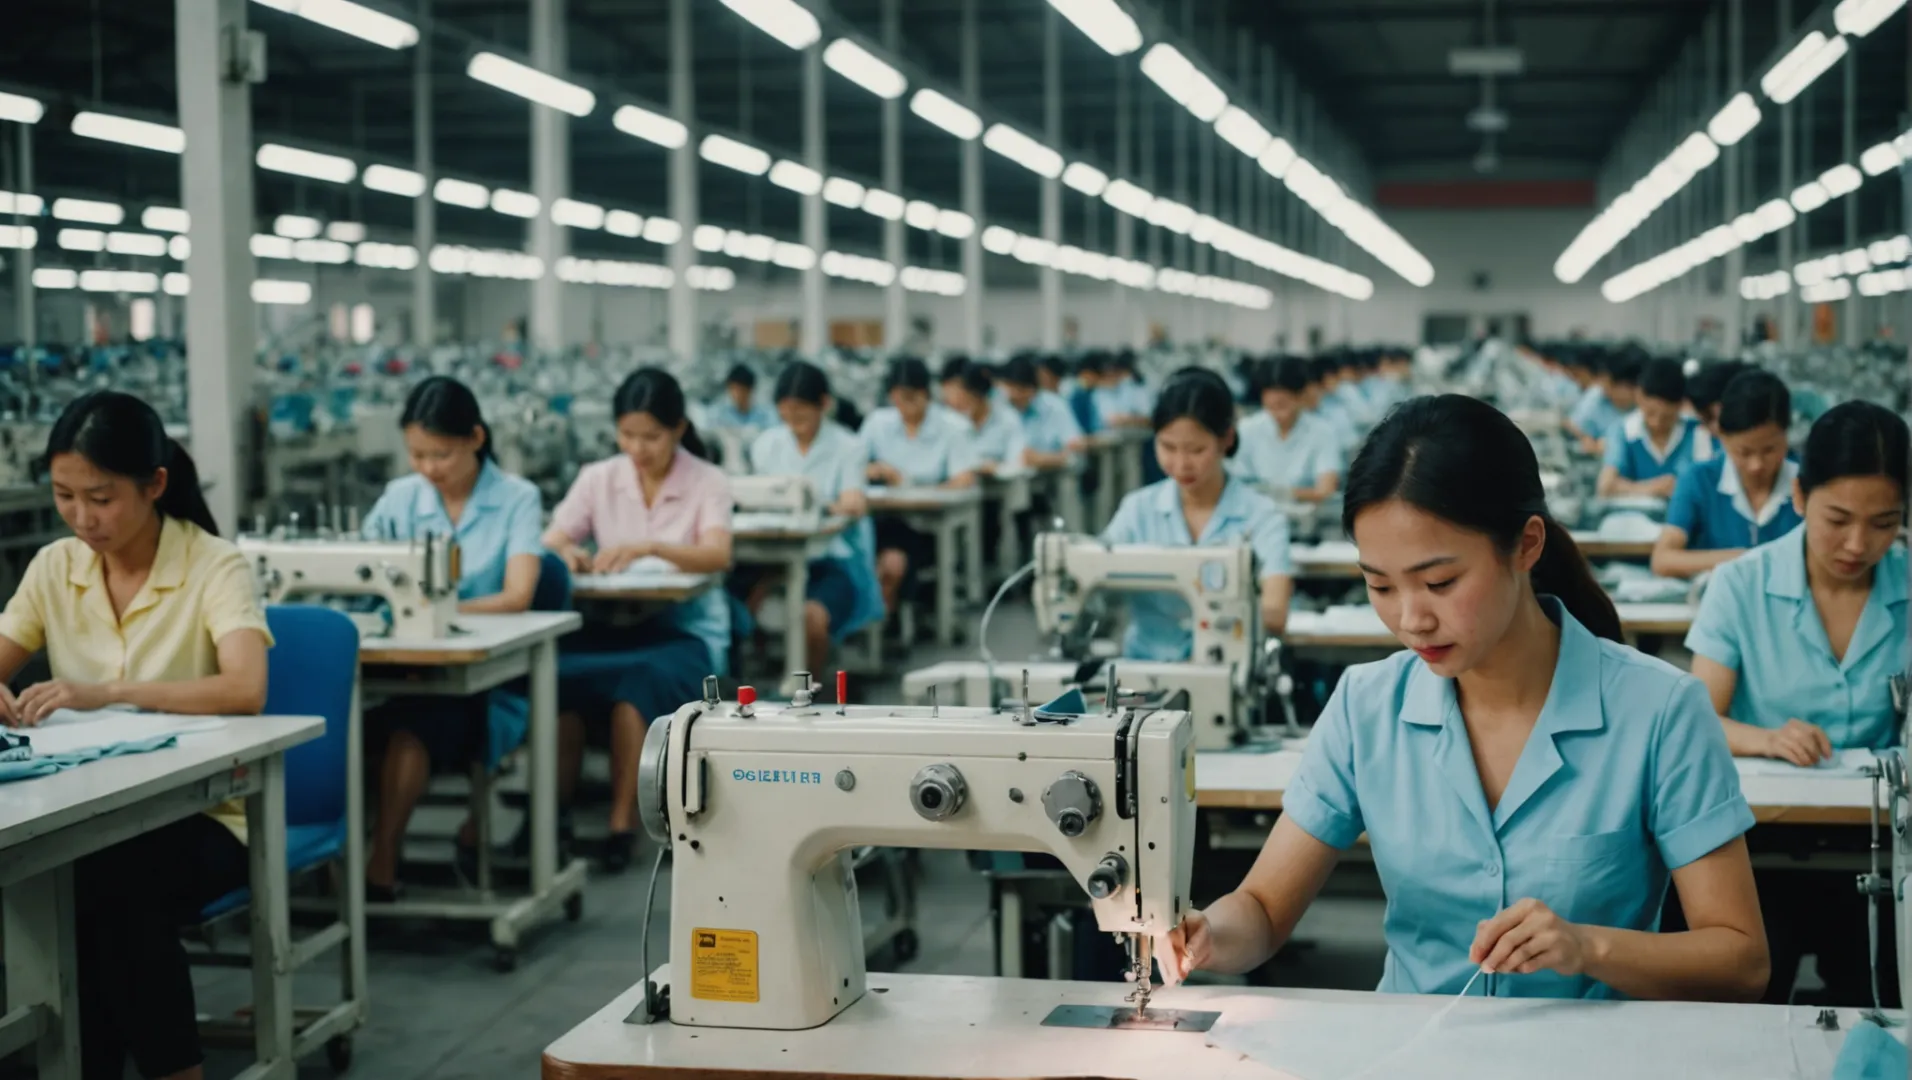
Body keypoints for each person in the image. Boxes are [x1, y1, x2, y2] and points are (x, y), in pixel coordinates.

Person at [1158, 394, 1769, 1003]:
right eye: (1379, 585)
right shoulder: (1366, 706)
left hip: (1588, 1060)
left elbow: (1741, 961)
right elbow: (1263, 908)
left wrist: (1588, 947)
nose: (1410, 618)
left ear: (1527, 545)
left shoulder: (1660, 710)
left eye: (1440, 582)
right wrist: (1209, 932)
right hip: (1411, 1053)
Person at [0, 391, 274, 1080]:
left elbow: (246, 688)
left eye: (101, 497)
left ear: (154, 484)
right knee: (73, 883)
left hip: (203, 814)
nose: (81, 518)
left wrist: (110, 691)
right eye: (64, 495)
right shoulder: (55, 569)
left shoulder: (214, 565)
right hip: (82, 809)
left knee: (103, 892)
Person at [1684, 402, 1907, 1008]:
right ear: (1801, 495)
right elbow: (1697, 721)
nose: (1858, 544)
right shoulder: (1742, 585)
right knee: (1741, 1009)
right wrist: (1765, 738)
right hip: (1757, 852)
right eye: (1838, 518)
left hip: (1887, 850)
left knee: (1886, 1002)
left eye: (1885, 523)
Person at [358, 377, 547, 898]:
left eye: (440, 454)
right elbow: (358, 574)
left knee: (415, 726)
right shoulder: (401, 498)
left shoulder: (516, 499)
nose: (427, 468)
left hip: (489, 683)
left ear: (476, 439)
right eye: (416, 454)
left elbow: (517, 594)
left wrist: (433, 610)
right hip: (403, 670)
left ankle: (381, 864)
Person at [542, 368, 733, 872]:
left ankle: (622, 823)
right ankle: (549, 820)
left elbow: (717, 555)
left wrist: (648, 545)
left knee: (637, 688)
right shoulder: (599, 478)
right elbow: (552, 539)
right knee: (555, 680)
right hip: (608, 624)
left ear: (678, 429)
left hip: (682, 631)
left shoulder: (706, 481)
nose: (638, 448)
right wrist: (571, 555)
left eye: (652, 436)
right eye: (628, 435)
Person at [1101, 369, 1294, 656]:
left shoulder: (1262, 517)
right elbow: (1094, 576)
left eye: (1195, 450)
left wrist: (1218, 619)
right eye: (1167, 447)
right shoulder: (1137, 510)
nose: (1180, 464)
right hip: (1142, 676)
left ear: (1226, 439)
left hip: (1228, 669)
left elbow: (1276, 612)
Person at [740, 361, 884, 672]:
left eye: (802, 410)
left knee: (812, 618)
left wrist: (819, 504)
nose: (793, 419)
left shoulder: (848, 446)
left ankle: (805, 692)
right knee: (735, 602)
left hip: (830, 561)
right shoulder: (767, 444)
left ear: (824, 404)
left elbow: (853, 502)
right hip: (774, 558)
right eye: (786, 411)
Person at [1652, 370, 1801, 579]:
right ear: (1722, 436)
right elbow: (1663, 559)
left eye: (1769, 450)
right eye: (1744, 452)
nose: (1756, 465)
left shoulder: (1810, 483)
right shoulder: (1699, 480)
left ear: (1787, 435)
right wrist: (1744, 559)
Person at [863, 357, 980, 614]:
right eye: (897, 398)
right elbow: (856, 465)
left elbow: (964, 478)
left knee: (894, 559)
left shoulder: (952, 427)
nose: (903, 406)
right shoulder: (878, 424)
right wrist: (875, 470)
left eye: (910, 398)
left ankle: (888, 616)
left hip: (928, 524)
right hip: (884, 517)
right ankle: (879, 618)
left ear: (926, 395)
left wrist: (918, 488)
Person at [1232, 356, 1343, 503]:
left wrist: (1279, 493)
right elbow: (1235, 484)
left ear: (1301, 397)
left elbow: (1326, 490)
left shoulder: (1322, 432)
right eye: (1270, 407)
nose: (1276, 414)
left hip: (1307, 518)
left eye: (1282, 406)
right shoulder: (1247, 429)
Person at [1596, 358, 1709, 499]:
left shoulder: (1698, 432)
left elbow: (1707, 488)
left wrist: (1629, 488)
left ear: (1681, 405)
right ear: (1639, 396)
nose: (1656, 423)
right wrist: (1655, 488)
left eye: (1667, 418)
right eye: (1650, 413)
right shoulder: (1622, 431)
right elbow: (1606, 486)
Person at [996, 354, 1086, 467]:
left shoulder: (1054, 406)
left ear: (1033, 388)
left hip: (1051, 478)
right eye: (1010, 388)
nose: (1015, 395)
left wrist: (1045, 459)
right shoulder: (1001, 408)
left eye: (1021, 390)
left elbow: (1076, 453)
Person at [943, 360, 1025, 474]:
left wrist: (996, 467)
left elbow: (1018, 463)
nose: (959, 401)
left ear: (978, 396)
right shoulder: (951, 421)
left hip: (1001, 487)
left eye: (965, 395)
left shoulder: (1007, 420)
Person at [1566, 351, 1626, 455]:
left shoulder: (1642, 412)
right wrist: (1586, 438)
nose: (1603, 387)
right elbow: (1574, 426)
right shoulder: (1600, 398)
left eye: (1608, 383)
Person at [707, 364, 777, 433]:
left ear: (750, 390)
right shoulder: (719, 415)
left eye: (740, 389)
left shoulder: (764, 416)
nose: (736, 394)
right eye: (733, 389)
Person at [1092, 351, 1153, 429]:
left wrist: (1127, 419)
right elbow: (1112, 421)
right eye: (1107, 375)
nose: (1112, 378)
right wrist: (1132, 419)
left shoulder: (1129, 387)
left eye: (1114, 373)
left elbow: (1148, 418)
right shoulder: (1098, 393)